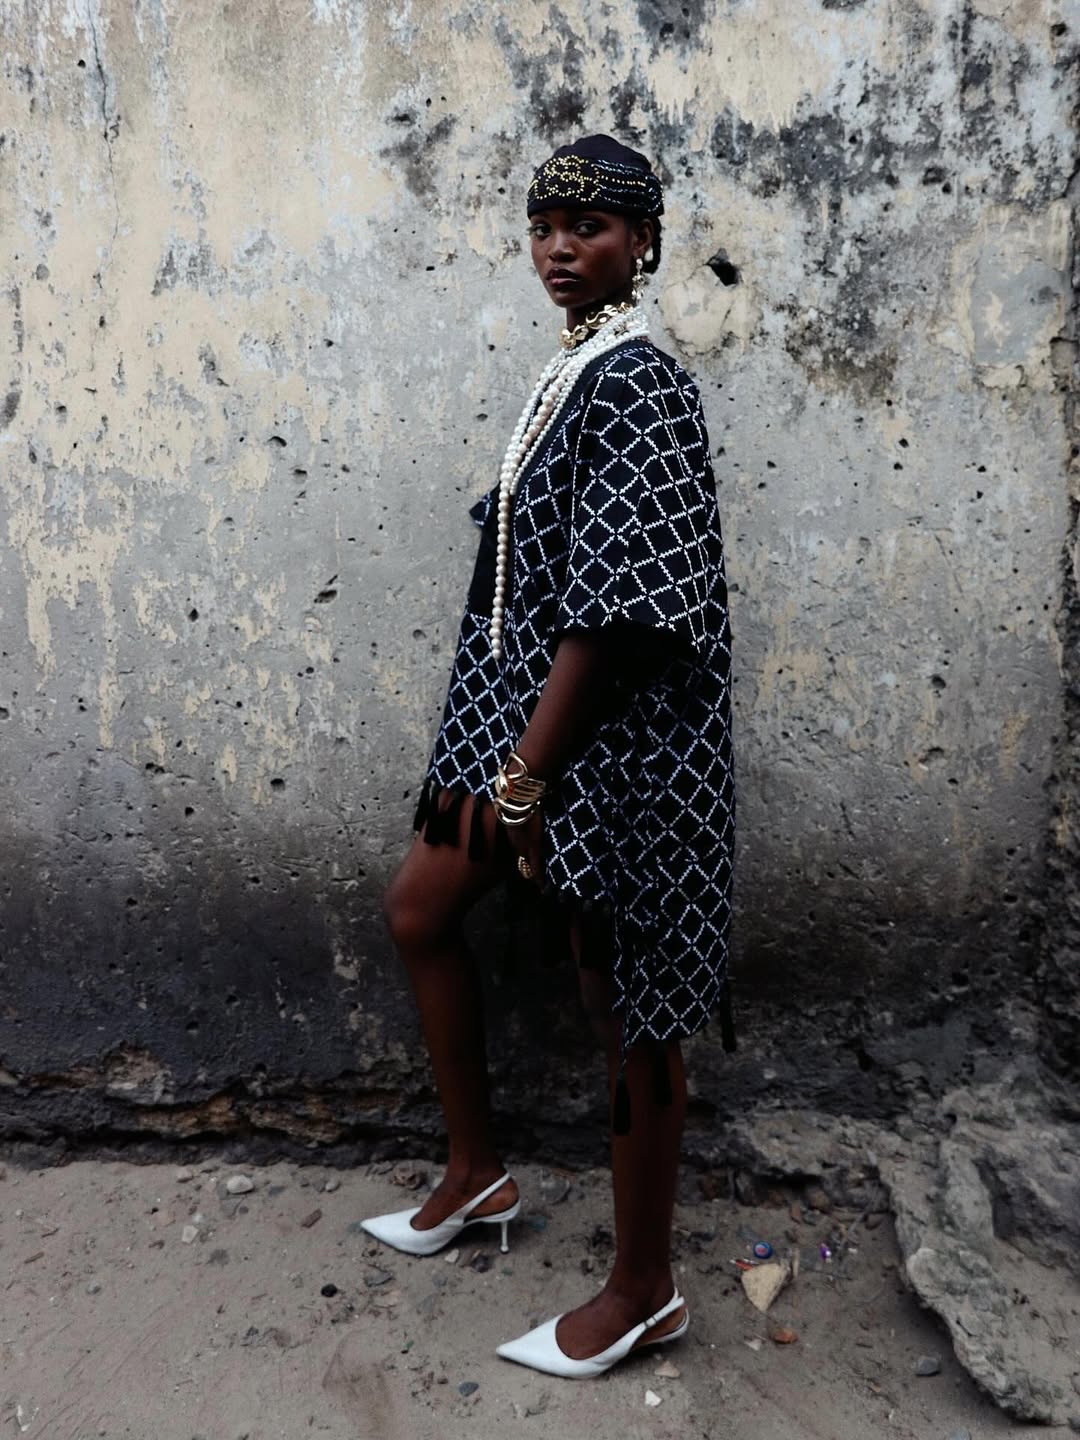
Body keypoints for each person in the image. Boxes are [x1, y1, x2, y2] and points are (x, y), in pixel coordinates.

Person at [362, 134, 735, 1380]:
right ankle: (477, 1175)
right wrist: (500, 755)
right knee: (421, 909)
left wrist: (528, 775)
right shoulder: (578, 366)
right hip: (516, 730)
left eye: (592, 226)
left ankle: (643, 1288)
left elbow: (618, 605)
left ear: (644, 240)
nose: (562, 248)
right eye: (545, 227)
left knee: (626, 999)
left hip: (611, 748)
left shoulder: (639, 382)